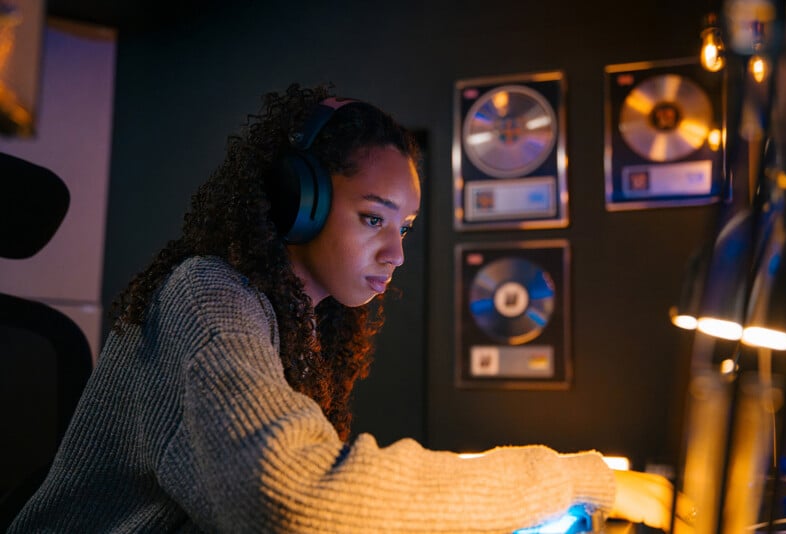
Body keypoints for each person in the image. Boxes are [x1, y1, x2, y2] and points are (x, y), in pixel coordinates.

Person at [9, 83, 687, 533]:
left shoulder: (300, 323)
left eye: (406, 228)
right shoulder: (206, 296)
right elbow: (296, 495)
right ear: (294, 202)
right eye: (372, 218)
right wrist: (589, 478)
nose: (396, 252)